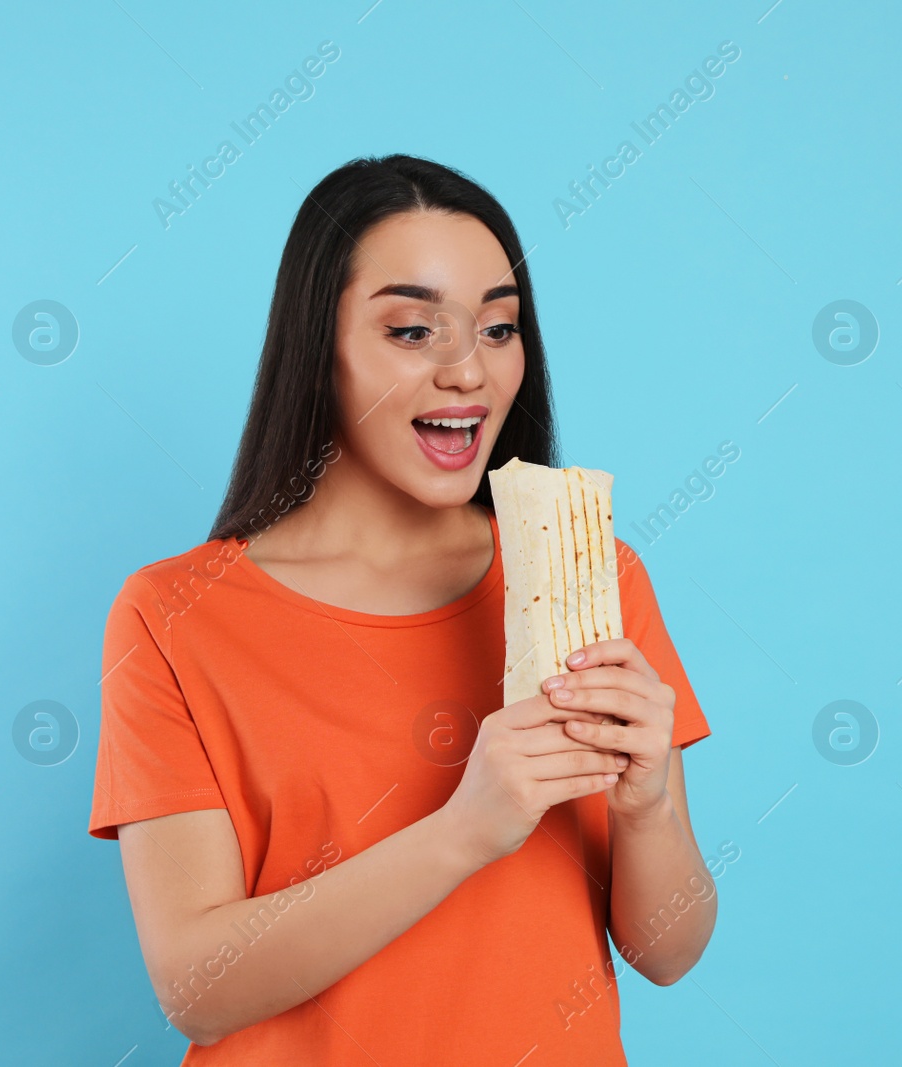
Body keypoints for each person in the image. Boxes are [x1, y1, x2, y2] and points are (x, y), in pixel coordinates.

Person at [87, 154, 717, 1065]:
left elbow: (670, 952)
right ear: (320, 347)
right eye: (414, 331)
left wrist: (647, 803)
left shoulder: (599, 579)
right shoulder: (174, 615)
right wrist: (467, 829)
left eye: (498, 328)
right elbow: (194, 988)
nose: (468, 370)